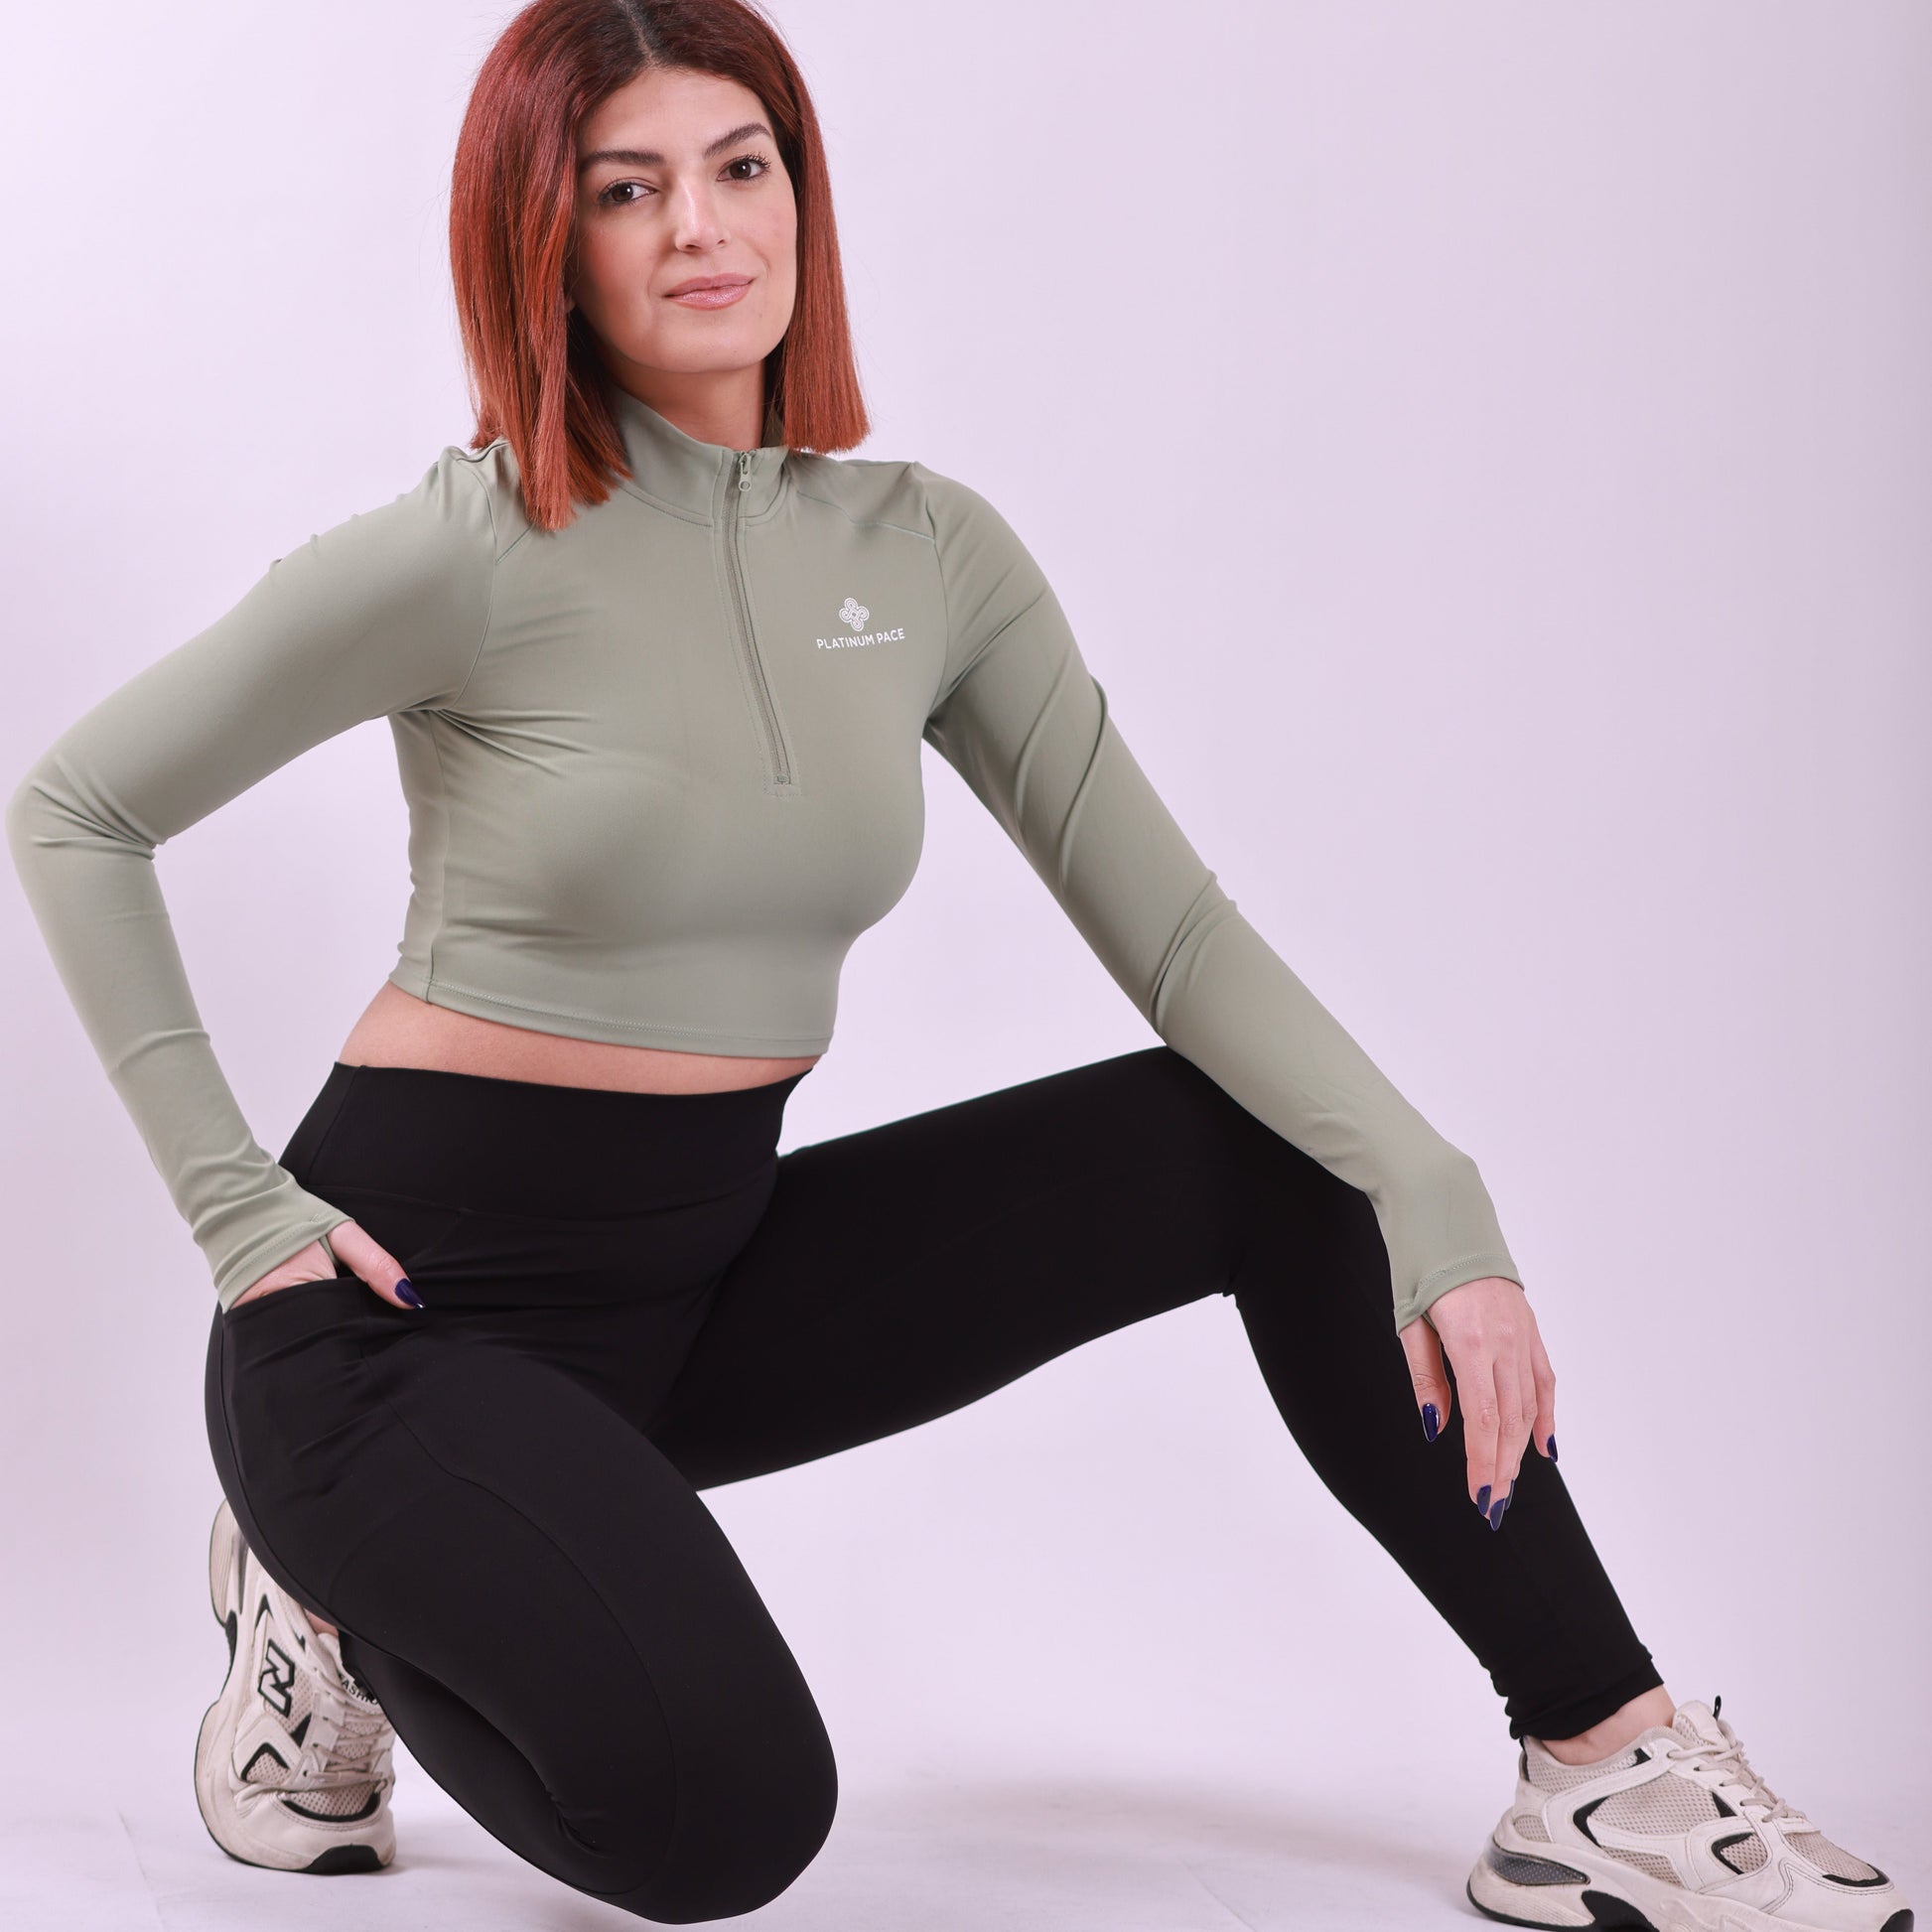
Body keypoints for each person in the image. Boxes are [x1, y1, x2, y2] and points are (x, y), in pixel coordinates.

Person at [6, 1, 1910, 1926]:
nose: (700, 225)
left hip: (695, 1282)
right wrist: (238, 1213)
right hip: (400, 1325)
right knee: (723, 1818)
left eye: (740, 165)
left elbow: (1173, 931)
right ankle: (333, 1593)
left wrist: (1435, 1190)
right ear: (543, 242)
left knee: (1275, 1141)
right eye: (626, 189)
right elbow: (77, 808)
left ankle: (1604, 1765)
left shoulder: (923, 553)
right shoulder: (467, 544)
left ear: (800, 194)